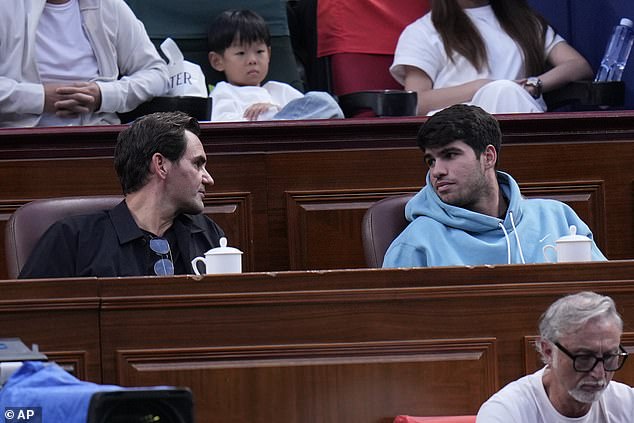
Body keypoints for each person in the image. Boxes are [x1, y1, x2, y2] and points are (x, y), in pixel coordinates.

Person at [382, 104, 606, 268]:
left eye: (450, 155)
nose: (437, 171)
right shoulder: (416, 243)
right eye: (431, 160)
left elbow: (605, 299)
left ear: (488, 157)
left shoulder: (558, 218)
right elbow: (392, 326)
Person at [19, 111, 224, 278]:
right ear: (160, 165)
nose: (208, 179)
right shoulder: (73, 238)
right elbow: (28, 319)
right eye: (197, 164)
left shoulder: (208, 234)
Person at [390, 0, 594, 115]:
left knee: (505, 92)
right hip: (455, 127)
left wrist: (534, 84)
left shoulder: (524, 22)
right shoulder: (423, 30)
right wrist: (482, 87)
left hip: (519, 110)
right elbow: (415, 102)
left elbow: (577, 65)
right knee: (501, 90)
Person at [0, 0, 168, 128]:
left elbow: (156, 73)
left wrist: (103, 95)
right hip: (18, 143)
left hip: (96, 138)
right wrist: (40, 98)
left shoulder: (109, 5)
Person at [476, 291, 633, 422]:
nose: (599, 374)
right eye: (584, 358)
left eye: (609, 357)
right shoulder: (506, 412)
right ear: (548, 352)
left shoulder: (628, 405)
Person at [207, 9, 343, 122]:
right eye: (241, 53)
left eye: (259, 51)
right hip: (256, 139)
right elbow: (222, 125)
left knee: (324, 100)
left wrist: (276, 110)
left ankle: (281, 123)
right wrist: (264, 117)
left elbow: (309, 111)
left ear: (269, 54)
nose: (252, 60)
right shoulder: (224, 92)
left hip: (296, 138)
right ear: (217, 61)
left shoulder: (280, 90)